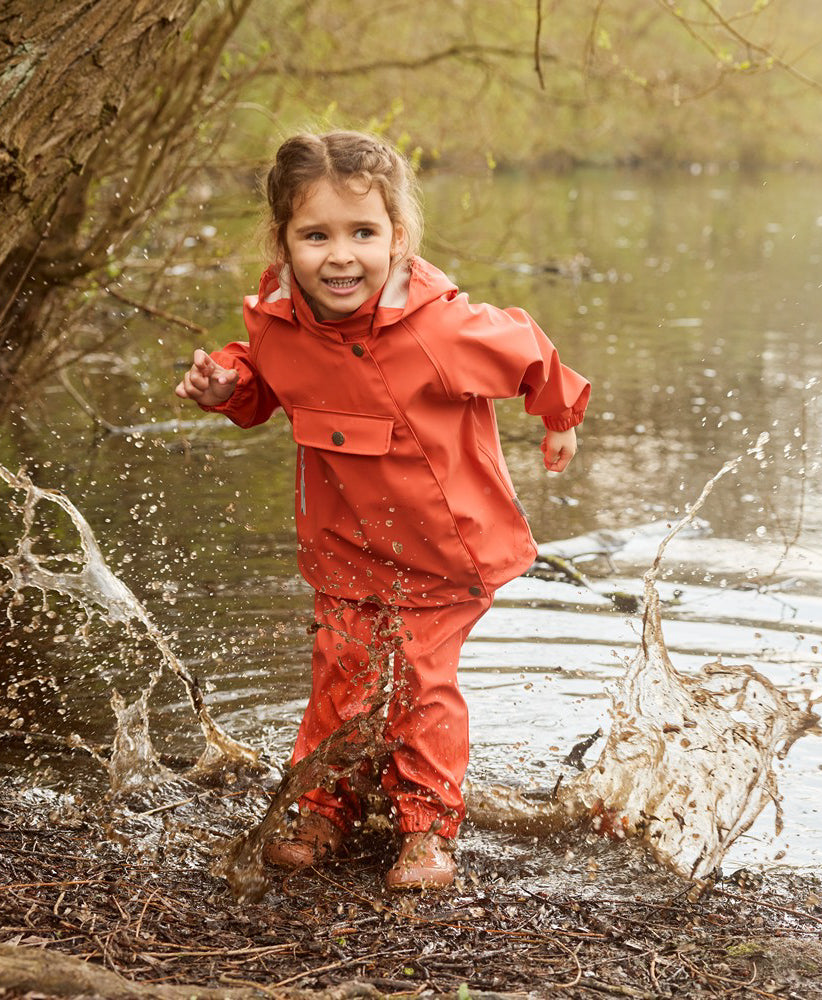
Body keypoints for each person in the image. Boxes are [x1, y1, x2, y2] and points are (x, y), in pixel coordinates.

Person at [175, 130, 590, 890]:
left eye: (362, 233)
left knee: (420, 684)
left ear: (397, 238)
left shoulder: (439, 330)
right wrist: (225, 385)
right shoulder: (278, 322)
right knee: (342, 675)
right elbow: (261, 377)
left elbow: (527, 347)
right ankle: (326, 806)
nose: (341, 256)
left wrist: (559, 413)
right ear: (283, 241)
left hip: (443, 549)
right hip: (344, 547)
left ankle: (427, 828)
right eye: (316, 235)